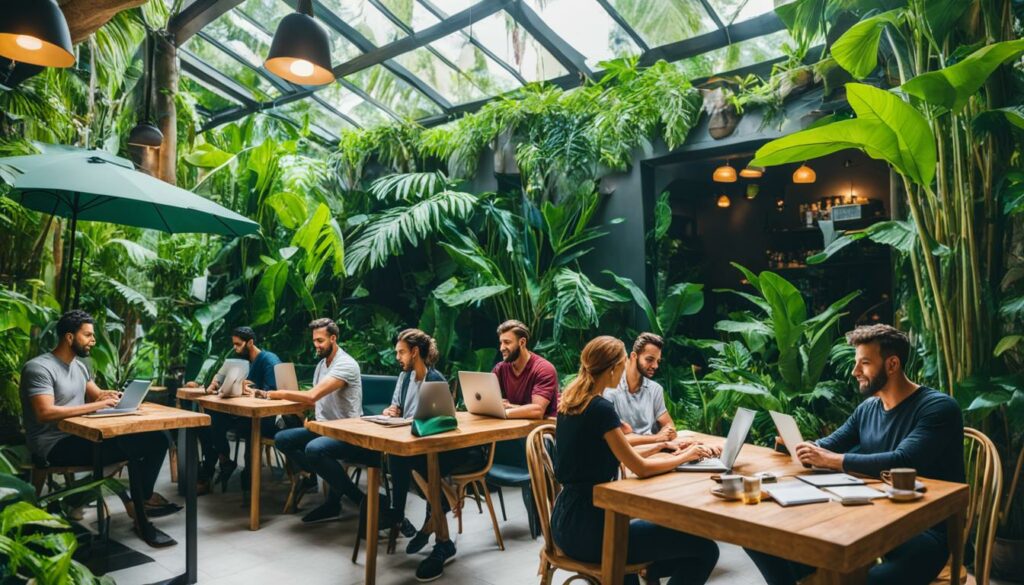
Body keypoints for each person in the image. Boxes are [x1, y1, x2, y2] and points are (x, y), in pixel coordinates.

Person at [745, 324, 965, 585]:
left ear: (892, 364)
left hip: (922, 530)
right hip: (867, 518)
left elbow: (903, 461)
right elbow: (830, 444)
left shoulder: (938, 408)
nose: (855, 371)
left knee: (864, 581)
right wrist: (797, 446)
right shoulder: (869, 408)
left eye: (865, 363)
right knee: (760, 538)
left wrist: (831, 459)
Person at [551, 336, 720, 585]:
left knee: (659, 542)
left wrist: (661, 445)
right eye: (620, 364)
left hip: (565, 522)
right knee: (705, 550)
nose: (622, 371)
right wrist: (686, 456)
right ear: (612, 369)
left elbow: (619, 453)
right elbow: (639, 468)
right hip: (594, 530)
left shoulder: (571, 402)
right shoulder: (601, 409)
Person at [19, 310, 179, 548]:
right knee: (132, 448)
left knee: (158, 439)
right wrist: (98, 404)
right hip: (53, 444)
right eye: (88, 335)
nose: (93, 340)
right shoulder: (39, 368)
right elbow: (45, 413)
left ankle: (142, 499)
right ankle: (142, 521)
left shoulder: (80, 366)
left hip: (82, 435)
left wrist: (109, 396)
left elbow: (96, 394)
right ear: (69, 337)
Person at [383, 329, 485, 582]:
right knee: (398, 455)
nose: (398, 357)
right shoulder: (404, 378)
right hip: (414, 444)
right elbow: (397, 408)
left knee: (420, 462)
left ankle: (433, 528)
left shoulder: (436, 380)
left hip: (444, 448)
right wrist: (391, 411)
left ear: (415, 352)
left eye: (401, 352)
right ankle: (435, 511)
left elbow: (444, 422)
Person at [268, 318, 376, 523]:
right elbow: (316, 402)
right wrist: (306, 417)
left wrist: (277, 394)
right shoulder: (321, 365)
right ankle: (313, 476)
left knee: (314, 449)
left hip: (347, 432)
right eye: (314, 341)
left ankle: (359, 500)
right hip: (323, 428)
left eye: (320, 340)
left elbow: (312, 396)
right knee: (283, 438)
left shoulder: (345, 364)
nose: (316, 345)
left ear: (333, 338)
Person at [195, 326, 287, 493]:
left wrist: (249, 390)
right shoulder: (241, 360)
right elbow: (222, 373)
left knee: (215, 421)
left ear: (250, 342)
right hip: (243, 415)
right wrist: (215, 383)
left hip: (264, 419)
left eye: (238, 345)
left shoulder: (268, 360)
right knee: (207, 420)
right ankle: (224, 460)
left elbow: (274, 393)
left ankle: (237, 473)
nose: (235, 349)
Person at [603, 333, 678, 448]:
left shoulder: (655, 389)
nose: (655, 366)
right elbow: (614, 440)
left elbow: (669, 425)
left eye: (658, 361)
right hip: (624, 454)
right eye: (650, 359)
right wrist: (657, 438)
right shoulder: (610, 389)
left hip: (653, 450)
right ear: (634, 356)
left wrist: (666, 433)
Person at [491, 320, 558, 419]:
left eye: (507, 342)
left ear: (522, 342)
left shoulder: (544, 369)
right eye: (501, 343)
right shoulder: (500, 368)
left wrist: (505, 410)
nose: (502, 348)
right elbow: (489, 402)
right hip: (512, 426)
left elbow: (537, 410)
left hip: (541, 430)